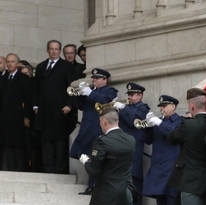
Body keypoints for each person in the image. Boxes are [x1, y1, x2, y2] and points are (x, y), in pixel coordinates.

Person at [79, 107, 135, 205]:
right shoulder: (130, 140)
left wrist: (86, 161)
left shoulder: (102, 141)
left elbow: (94, 171)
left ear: (104, 122)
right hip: (126, 189)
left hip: (108, 193)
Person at [70, 68, 118, 194]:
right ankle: (91, 185)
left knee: (98, 159)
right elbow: (79, 106)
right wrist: (79, 94)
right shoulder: (90, 92)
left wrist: (89, 93)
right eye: (94, 78)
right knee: (88, 159)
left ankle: (96, 186)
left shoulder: (110, 91)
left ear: (104, 80)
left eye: (97, 78)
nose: (94, 80)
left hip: (99, 130)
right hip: (87, 130)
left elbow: (105, 101)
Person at [142, 95, 182, 205]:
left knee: (172, 203)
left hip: (171, 167)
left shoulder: (179, 121)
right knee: (161, 202)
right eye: (161, 106)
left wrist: (159, 123)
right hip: (158, 167)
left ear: (173, 107)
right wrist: (147, 127)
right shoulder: (160, 122)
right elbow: (148, 140)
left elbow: (174, 135)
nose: (161, 109)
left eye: (164, 106)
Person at [33, 40, 76, 174]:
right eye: (51, 49)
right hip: (44, 110)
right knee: (46, 140)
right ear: (47, 50)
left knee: (59, 140)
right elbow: (36, 89)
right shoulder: (41, 67)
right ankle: (48, 168)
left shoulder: (66, 66)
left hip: (60, 109)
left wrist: (69, 104)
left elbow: (71, 87)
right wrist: (35, 105)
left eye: (56, 49)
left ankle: (59, 169)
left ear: (60, 51)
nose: (54, 51)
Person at [113, 82, 150, 205]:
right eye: (128, 94)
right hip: (122, 144)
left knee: (134, 177)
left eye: (132, 94)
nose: (129, 97)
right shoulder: (126, 107)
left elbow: (133, 121)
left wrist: (123, 109)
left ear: (139, 95)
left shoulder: (143, 108)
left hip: (134, 146)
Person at [0, 53, 32, 171]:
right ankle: (11, 168)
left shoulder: (23, 79)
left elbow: (28, 99)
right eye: (8, 61)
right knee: (8, 144)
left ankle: (21, 169)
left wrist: (27, 116)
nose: (10, 64)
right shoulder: (3, 78)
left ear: (17, 63)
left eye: (12, 61)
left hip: (18, 116)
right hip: (5, 117)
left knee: (19, 145)